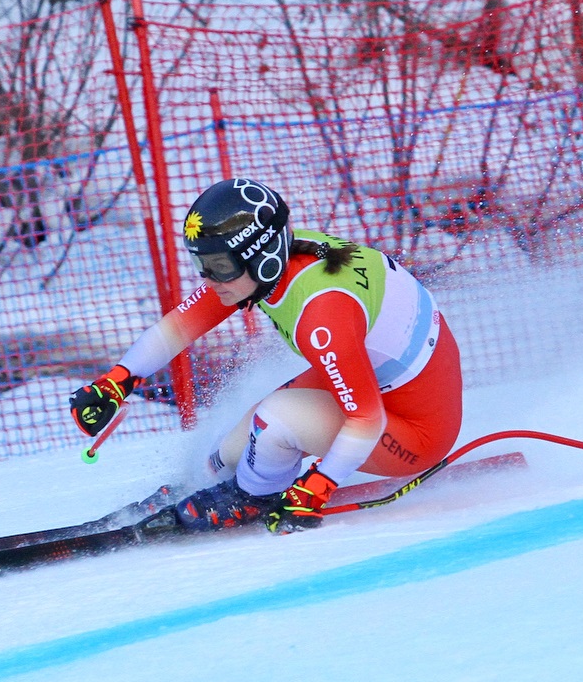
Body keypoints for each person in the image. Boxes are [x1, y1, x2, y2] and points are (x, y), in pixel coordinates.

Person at [69, 178, 463, 534]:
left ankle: (252, 499)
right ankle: (226, 484)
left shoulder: (320, 315)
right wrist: (117, 381)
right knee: (231, 449)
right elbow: (177, 328)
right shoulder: (271, 263)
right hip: (387, 380)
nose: (207, 279)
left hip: (416, 430)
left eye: (218, 267)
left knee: (275, 421)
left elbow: (366, 418)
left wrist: (318, 486)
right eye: (201, 264)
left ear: (263, 257)